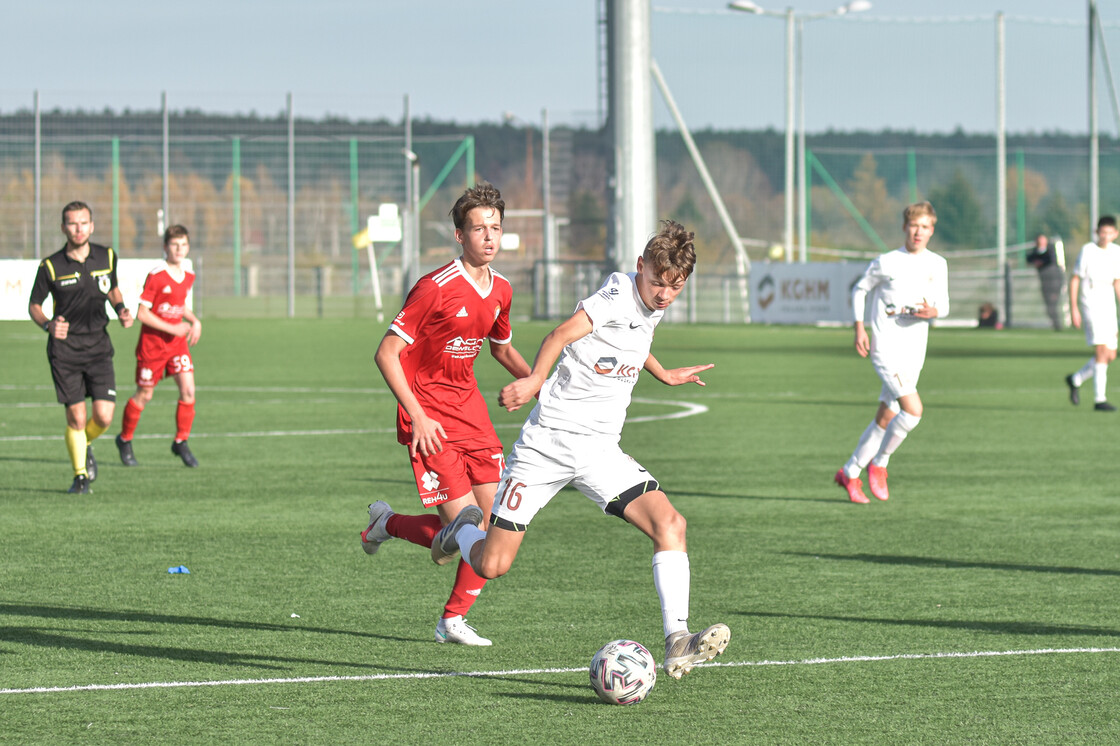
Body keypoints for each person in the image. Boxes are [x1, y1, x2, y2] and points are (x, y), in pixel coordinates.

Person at [429, 219, 731, 680]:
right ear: (638, 269)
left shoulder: (654, 302)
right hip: (546, 446)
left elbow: (632, 338)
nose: (665, 295)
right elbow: (560, 335)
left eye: (675, 287)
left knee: (671, 524)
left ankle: (677, 640)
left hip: (599, 451)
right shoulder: (615, 294)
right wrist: (533, 381)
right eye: (656, 283)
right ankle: (462, 532)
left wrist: (663, 373)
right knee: (492, 564)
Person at [359, 183, 531, 646]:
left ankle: (450, 616)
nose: (489, 237)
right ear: (460, 235)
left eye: (495, 228)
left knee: (489, 527)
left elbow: (502, 348)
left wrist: (537, 381)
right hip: (427, 415)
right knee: (467, 525)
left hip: (471, 411)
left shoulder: (502, 290)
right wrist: (417, 415)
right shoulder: (433, 288)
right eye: (479, 229)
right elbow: (386, 353)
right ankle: (390, 526)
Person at [834, 201, 950, 503]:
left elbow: (944, 306)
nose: (918, 232)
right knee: (914, 411)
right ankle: (880, 464)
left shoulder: (937, 264)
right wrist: (859, 328)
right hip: (886, 348)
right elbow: (860, 289)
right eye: (914, 226)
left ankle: (850, 471)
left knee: (886, 417)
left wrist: (932, 311)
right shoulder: (887, 261)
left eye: (925, 227)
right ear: (905, 227)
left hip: (915, 351)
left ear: (932, 230)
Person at [28, 201, 135, 494]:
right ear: (63, 228)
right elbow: (34, 306)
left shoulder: (107, 256)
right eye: (72, 223)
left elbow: (111, 287)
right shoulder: (50, 265)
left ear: (92, 225)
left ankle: (84, 442)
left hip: (99, 347)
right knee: (75, 417)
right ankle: (80, 476)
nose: (78, 228)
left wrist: (121, 309)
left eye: (84, 222)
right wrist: (48, 324)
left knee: (103, 416)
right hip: (65, 352)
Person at [115, 225, 202, 467]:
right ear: (165, 247)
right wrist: (174, 328)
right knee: (145, 395)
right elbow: (143, 313)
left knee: (188, 391)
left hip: (177, 346)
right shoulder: (157, 275)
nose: (179, 249)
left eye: (183, 245)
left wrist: (194, 321)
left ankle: (181, 441)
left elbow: (178, 304)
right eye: (175, 245)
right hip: (152, 346)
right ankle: (124, 439)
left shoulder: (189, 274)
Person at [1064, 215, 1120, 412]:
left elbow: (1117, 282)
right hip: (1091, 305)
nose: (1105, 236)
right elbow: (1075, 279)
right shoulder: (1088, 250)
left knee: (1111, 354)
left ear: (1115, 234)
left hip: (1108, 307)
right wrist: (1074, 308)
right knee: (1101, 350)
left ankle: (1076, 379)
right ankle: (1099, 399)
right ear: (1097, 233)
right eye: (1102, 232)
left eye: (1109, 233)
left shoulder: (1116, 252)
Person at [1026, 233, 1063, 331]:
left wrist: (1039, 262)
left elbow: (1048, 259)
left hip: (1054, 282)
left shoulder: (1051, 251)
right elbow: (1029, 258)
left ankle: (1058, 326)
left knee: (1052, 303)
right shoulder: (1035, 252)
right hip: (1044, 283)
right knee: (1048, 305)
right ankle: (1055, 325)